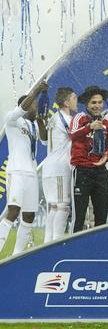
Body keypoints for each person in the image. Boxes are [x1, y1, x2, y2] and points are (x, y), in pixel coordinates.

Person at [0, 80, 48, 255]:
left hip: (31, 174)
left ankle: (17, 255)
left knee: (29, 216)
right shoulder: (12, 119)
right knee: (13, 211)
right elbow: (23, 107)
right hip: (16, 171)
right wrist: (35, 91)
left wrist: (41, 120)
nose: (35, 107)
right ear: (25, 106)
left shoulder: (33, 125)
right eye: (34, 104)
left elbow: (45, 140)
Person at [69, 86, 108, 233]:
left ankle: (99, 251)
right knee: (79, 217)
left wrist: (106, 156)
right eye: (93, 102)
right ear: (87, 104)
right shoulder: (79, 118)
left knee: (102, 218)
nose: (97, 106)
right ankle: (73, 251)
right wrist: (89, 127)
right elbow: (72, 134)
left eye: (100, 102)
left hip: (101, 172)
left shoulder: (107, 123)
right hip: (82, 171)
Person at [42, 87, 78, 242]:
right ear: (66, 102)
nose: (76, 101)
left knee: (54, 207)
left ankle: (47, 242)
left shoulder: (53, 118)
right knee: (63, 207)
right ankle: (56, 242)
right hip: (60, 168)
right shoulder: (67, 120)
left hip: (50, 167)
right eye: (74, 98)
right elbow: (82, 135)